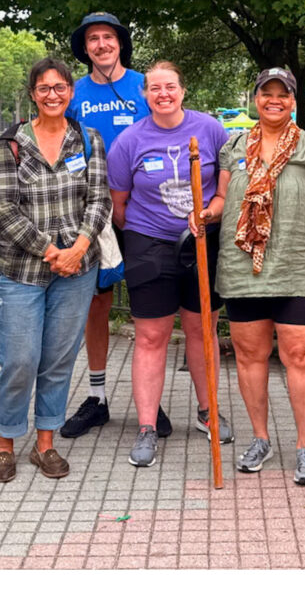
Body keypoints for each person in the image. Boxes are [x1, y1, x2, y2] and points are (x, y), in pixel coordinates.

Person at [204, 68, 305, 486]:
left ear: (294, 100)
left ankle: (304, 446)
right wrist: (205, 213)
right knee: (249, 356)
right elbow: (223, 197)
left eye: (283, 94)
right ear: (256, 99)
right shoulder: (233, 147)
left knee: (300, 358)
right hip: (244, 268)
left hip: (299, 267)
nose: (274, 100)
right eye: (267, 93)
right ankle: (260, 438)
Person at [0, 57, 110, 482]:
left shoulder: (88, 140)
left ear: (71, 93)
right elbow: (3, 208)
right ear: (33, 94)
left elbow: (99, 200)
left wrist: (78, 248)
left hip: (78, 269)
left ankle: (45, 442)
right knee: (20, 359)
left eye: (60, 87)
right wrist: (52, 251)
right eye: (44, 88)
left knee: (58, 359)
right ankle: (6, 442)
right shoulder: (11, 143)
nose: (52, 94)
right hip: (21, 268)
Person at [108, 61, 234, 468]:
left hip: (202, 240)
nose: (163, 94)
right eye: (155, 88)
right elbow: (120, 207)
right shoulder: (128, 142)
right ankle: (147, 426)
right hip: (150, 244)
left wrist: (211, 211)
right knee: (150, 336)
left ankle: (207, 411)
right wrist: (151, 235)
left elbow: (225, 186)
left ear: (183, 90)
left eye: (171, 87)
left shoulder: (210, 129)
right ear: (144, 94)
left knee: (202, 329)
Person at [60, 12, 171, 439]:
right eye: (93, 39)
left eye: (108, 37)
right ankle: (97, 397)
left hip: (143, 213)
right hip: (92, 212)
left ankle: (151, 400)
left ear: (120, 43)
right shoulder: (76, 93)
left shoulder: (145, 86)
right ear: (85, 48)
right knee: (97, 304)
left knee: (150, 310)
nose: (102, 44)